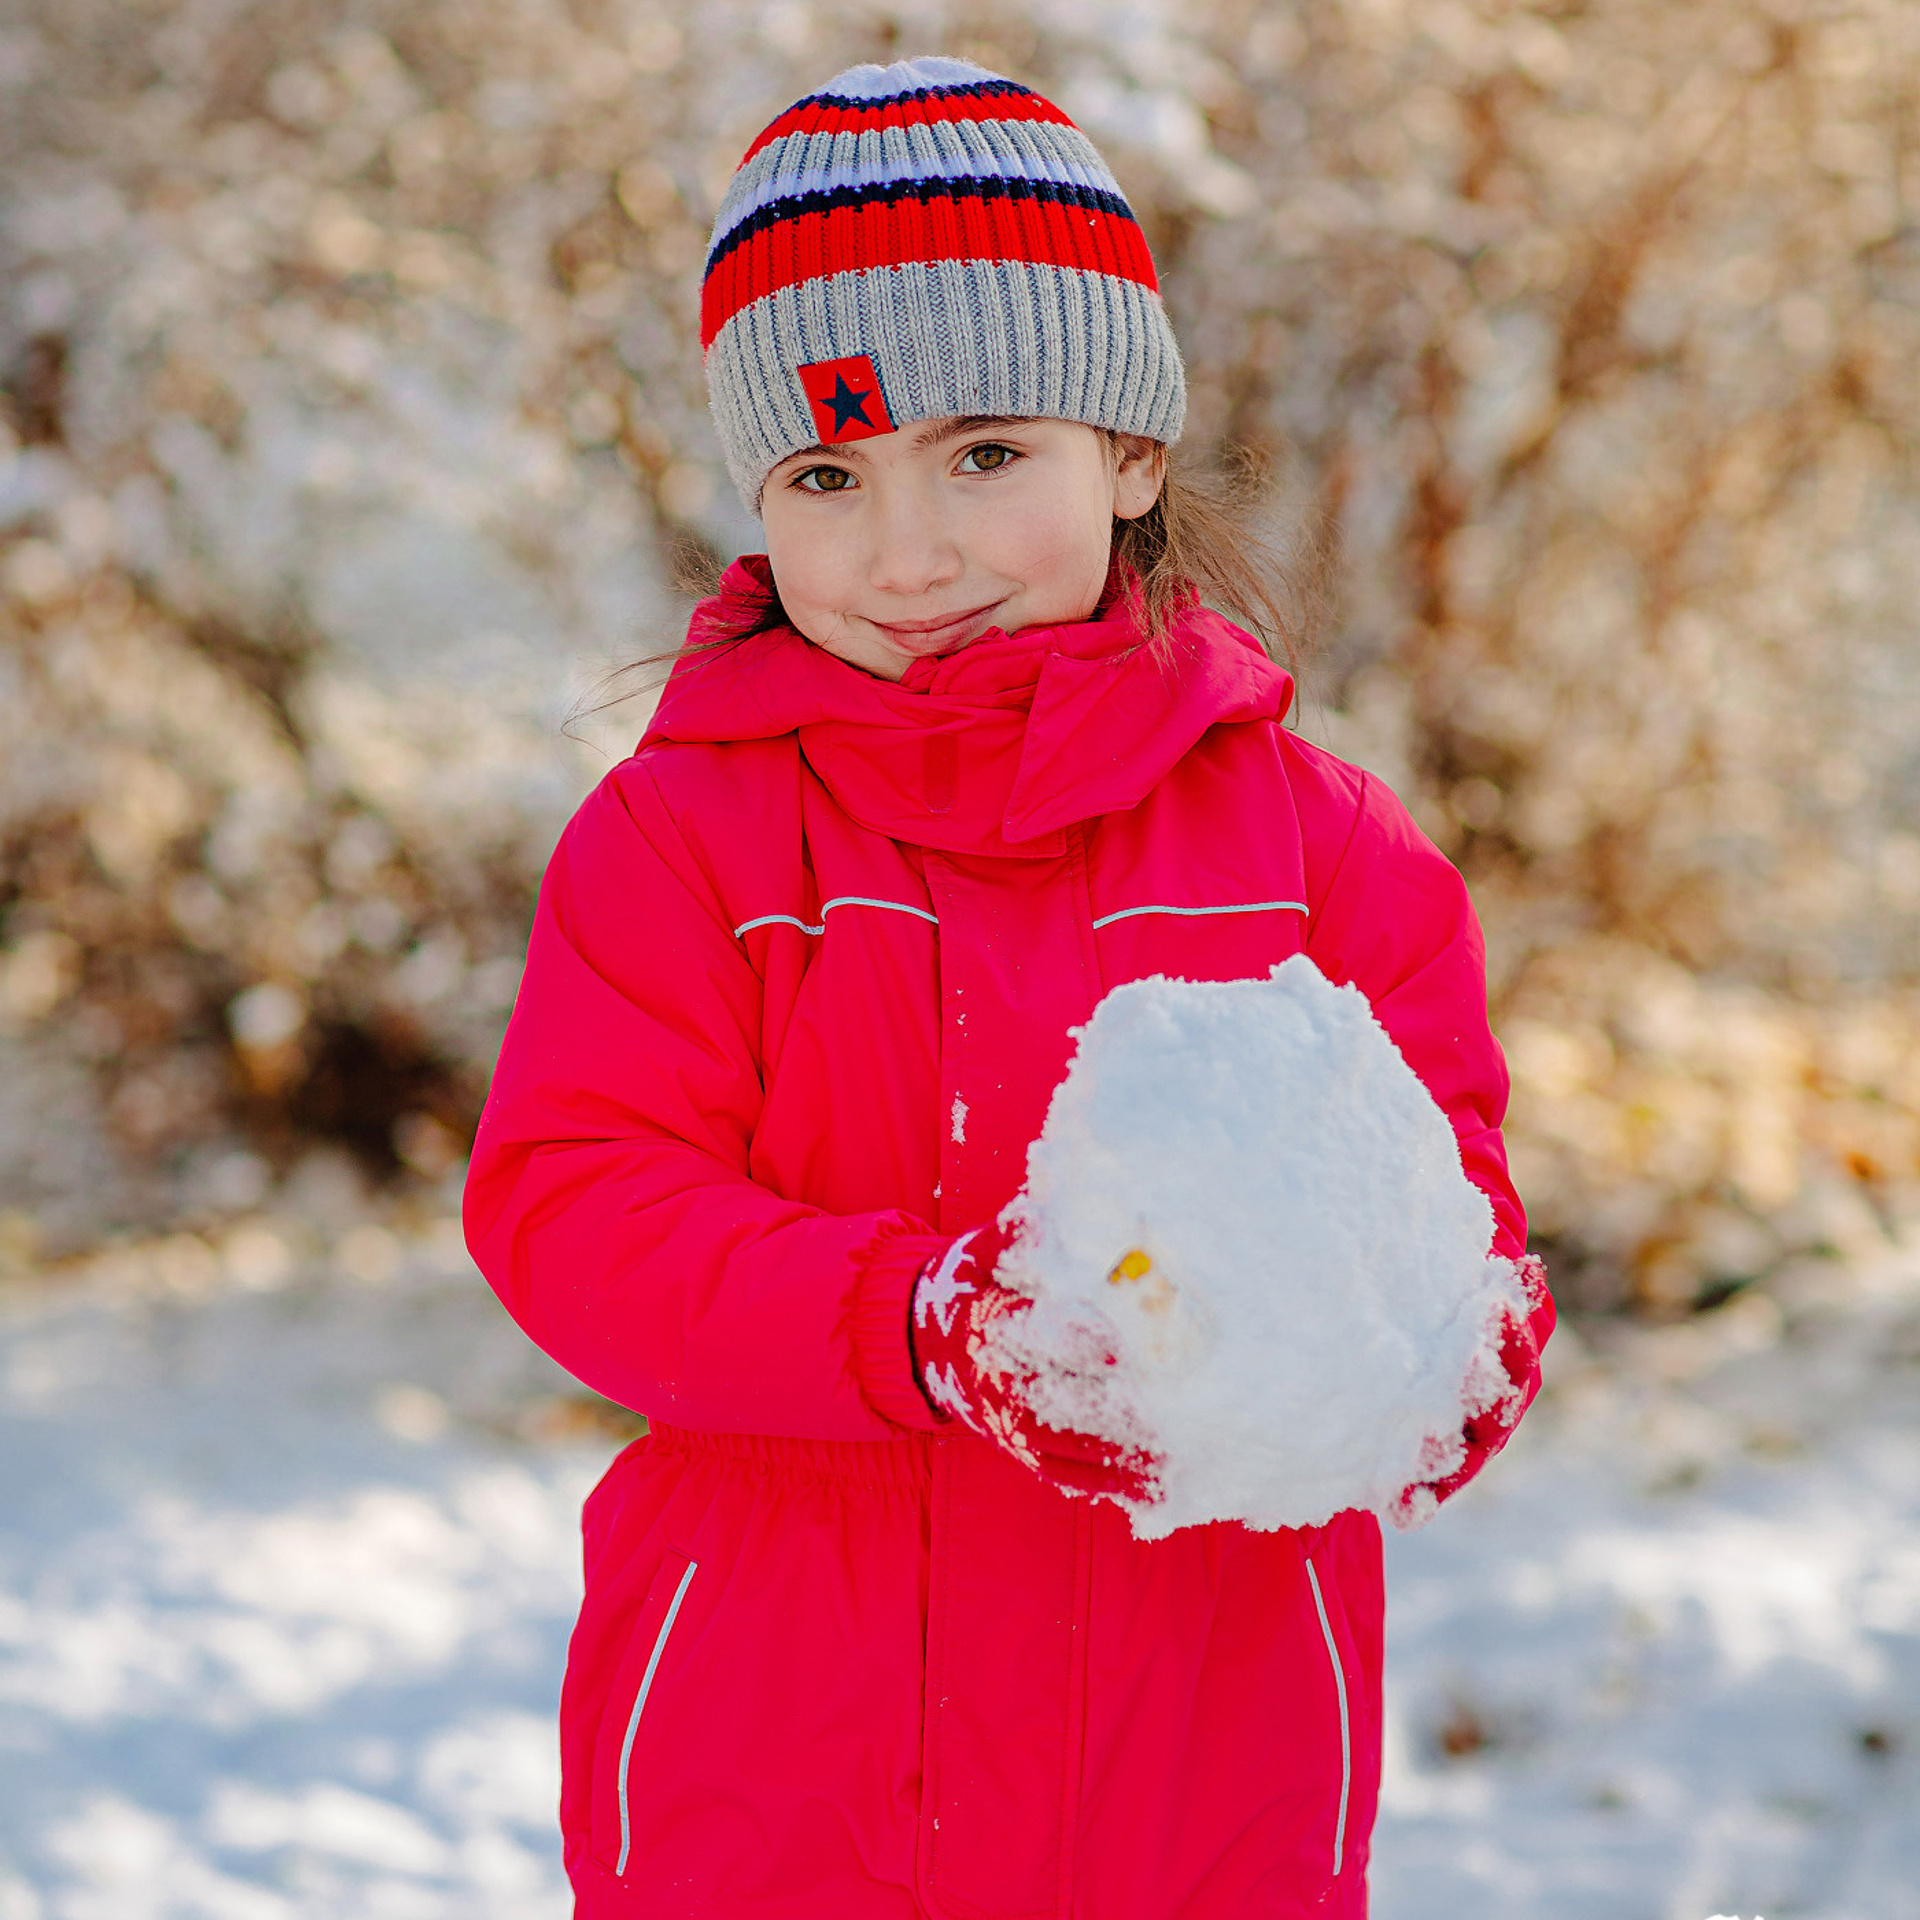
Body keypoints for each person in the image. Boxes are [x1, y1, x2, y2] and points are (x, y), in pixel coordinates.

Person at [464, 55, 1554, 1919]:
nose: (909, 550)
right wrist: (922, 1323)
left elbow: (1440, 1186)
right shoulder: (687, 847)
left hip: (1210, 1719)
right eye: (828, 474)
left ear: (1129, 451)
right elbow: (577, 1205)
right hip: (779, 1726)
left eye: (985, 454)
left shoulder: (1323, 850)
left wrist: (1454, 1341)